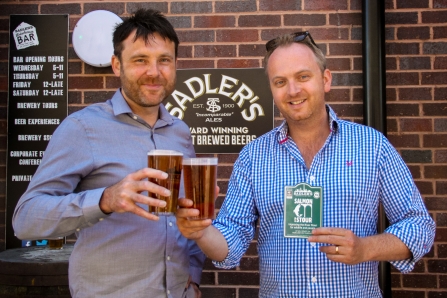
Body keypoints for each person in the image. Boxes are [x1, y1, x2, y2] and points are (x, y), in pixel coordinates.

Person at [175, 31, 436, 297]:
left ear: (325, 80)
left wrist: (365, 249)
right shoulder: (254, 156)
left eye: (303, 77)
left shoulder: (372, 146)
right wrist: (201, 232)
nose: (293, 90)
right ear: (272, 90)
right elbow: (231, 238)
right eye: (280, 81)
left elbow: (419, 225)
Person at [13, 9, 204, 298]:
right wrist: (105, 199)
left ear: (175, 64)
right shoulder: (82, 128)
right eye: (140, 60)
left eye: (164, 60)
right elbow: (25, 219)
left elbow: (185, 217)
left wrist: (194, 278)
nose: (154, 72)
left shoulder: (180, 132)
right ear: (117, 65)